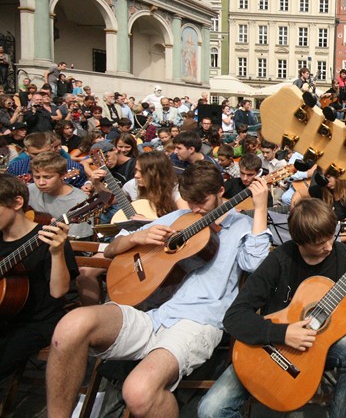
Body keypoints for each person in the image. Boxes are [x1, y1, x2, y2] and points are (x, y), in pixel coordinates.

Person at [46, 162, 273, 417]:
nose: (196, 209)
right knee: (70, 327)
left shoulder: (242, 225)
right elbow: (110, 249)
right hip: (151, 310)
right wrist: (135, 238)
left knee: (138, 392)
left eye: (202, 201)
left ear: (220, 190)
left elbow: (256, 264)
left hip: (197, 321)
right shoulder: (180, 217)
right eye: (190, 202)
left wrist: (260, 206)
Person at [197, 198, 346, 418]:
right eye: (319, 243)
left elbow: (342, 314)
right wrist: (283, 333)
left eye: (330, 237)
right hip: (271, 346)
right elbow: (233, 317)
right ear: (300, 242)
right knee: (210, 411)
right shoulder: (278, 261)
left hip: (318, 344)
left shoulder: (340, 255)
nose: (329, 246)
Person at [0, 174, 73, 377]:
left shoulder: (49, 237)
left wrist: (57, 253)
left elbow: (59, 292)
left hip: (38, 320)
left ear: (17, 203)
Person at [26, 152, 93, 241]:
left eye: (47, 177)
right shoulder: (30, 190)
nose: (41, 183)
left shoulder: (80, 201)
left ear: (63, 175)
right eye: (37, 177)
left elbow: (79, 244)